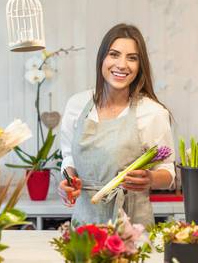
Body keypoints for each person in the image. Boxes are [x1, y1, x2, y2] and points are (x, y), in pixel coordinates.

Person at [59, 23, 175, 227]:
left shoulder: (152, 113)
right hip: (84, 226)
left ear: (140, 66)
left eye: (132, 58)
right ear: (102, 59)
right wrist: (69, 183)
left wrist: (150, 179)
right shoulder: (76, 105)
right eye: (114, 54)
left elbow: (168, 173)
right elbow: (69, 158)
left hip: (132, 228)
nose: (122, 65)